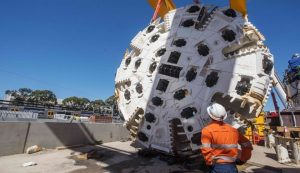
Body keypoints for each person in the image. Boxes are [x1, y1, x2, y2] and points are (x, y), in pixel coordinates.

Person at [200, 103, 253, 173]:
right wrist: (243, 159)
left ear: (210, 115)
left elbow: (206, 150)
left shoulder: (207, 130)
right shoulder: (233, 130)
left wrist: (209, 162)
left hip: (216, 167)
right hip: (231, 167)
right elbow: (247, 144)